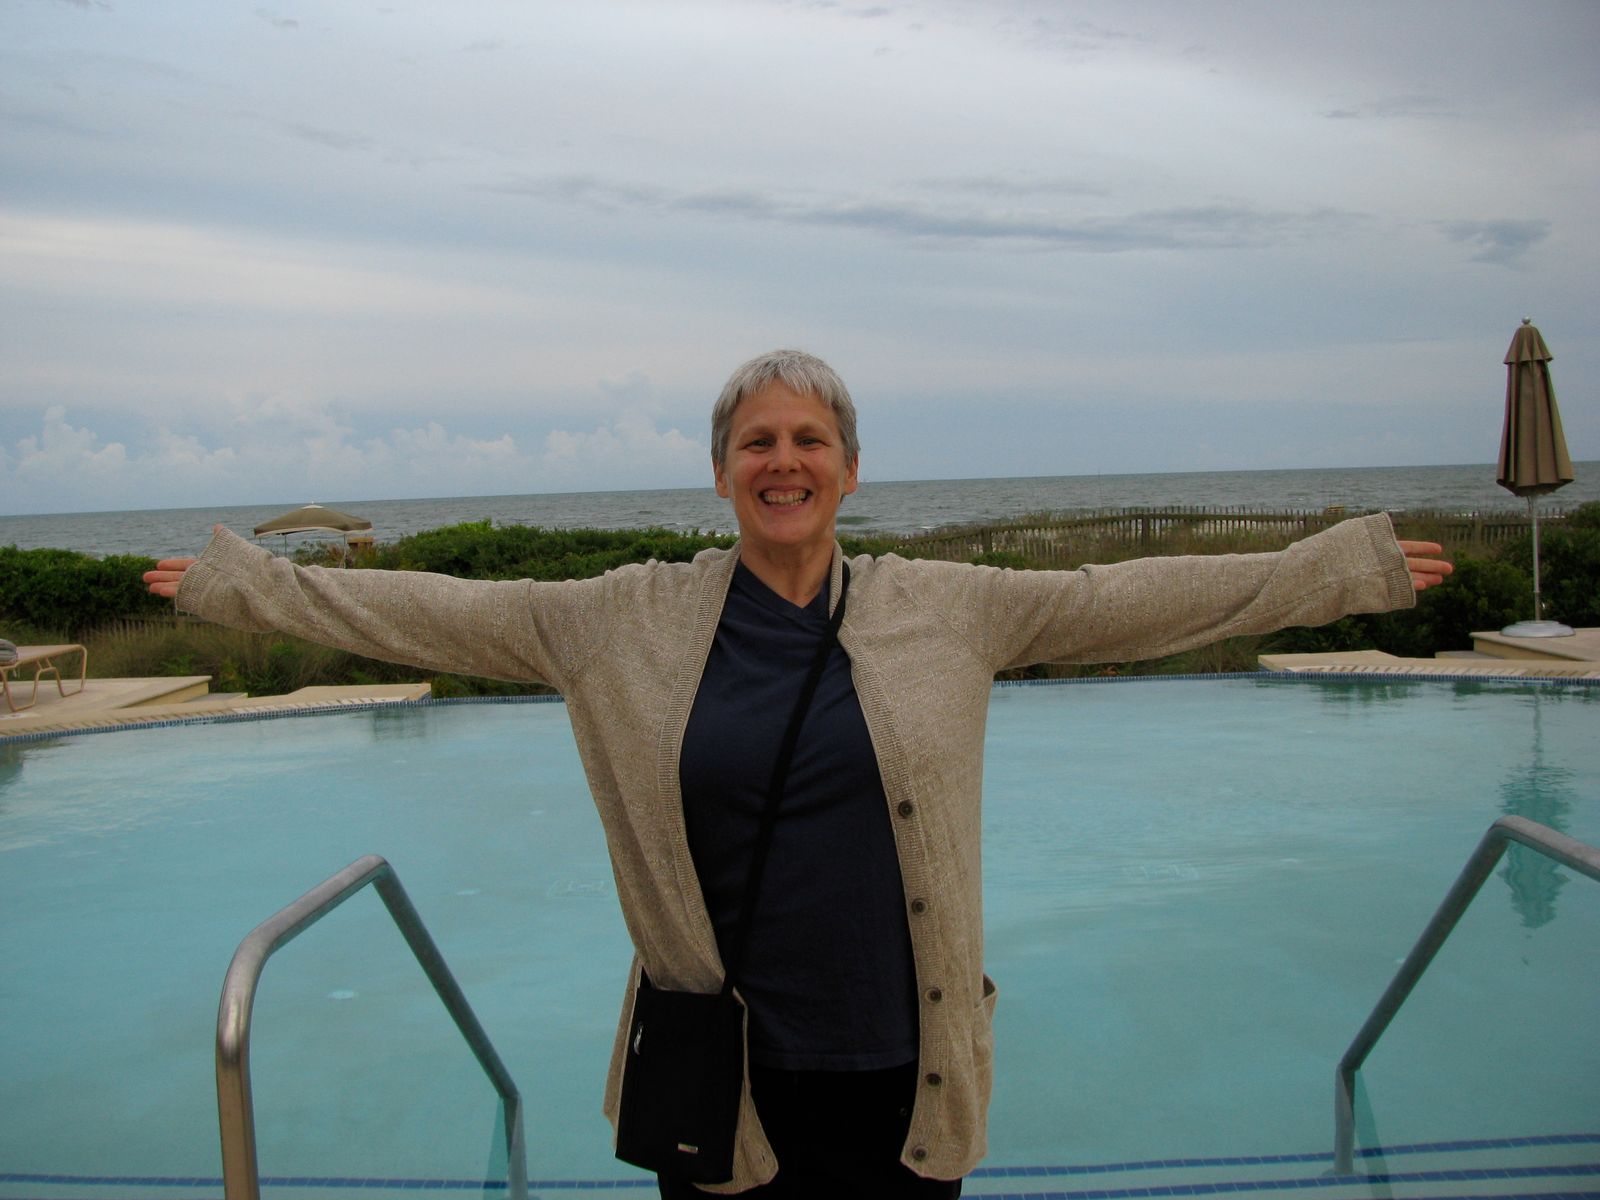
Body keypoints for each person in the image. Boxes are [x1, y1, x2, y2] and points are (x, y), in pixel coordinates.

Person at [146, 350, 1451, 1198]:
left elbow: (1125, 598)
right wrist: (248, 585)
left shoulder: (949, 607)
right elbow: (431, 611)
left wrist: (1335, 572)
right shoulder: (615, 622)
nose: (785, 461)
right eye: (759, 440)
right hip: (725, 1083)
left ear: (850, 470)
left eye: (811, 439)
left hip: (908, 1071)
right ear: (722, 472)